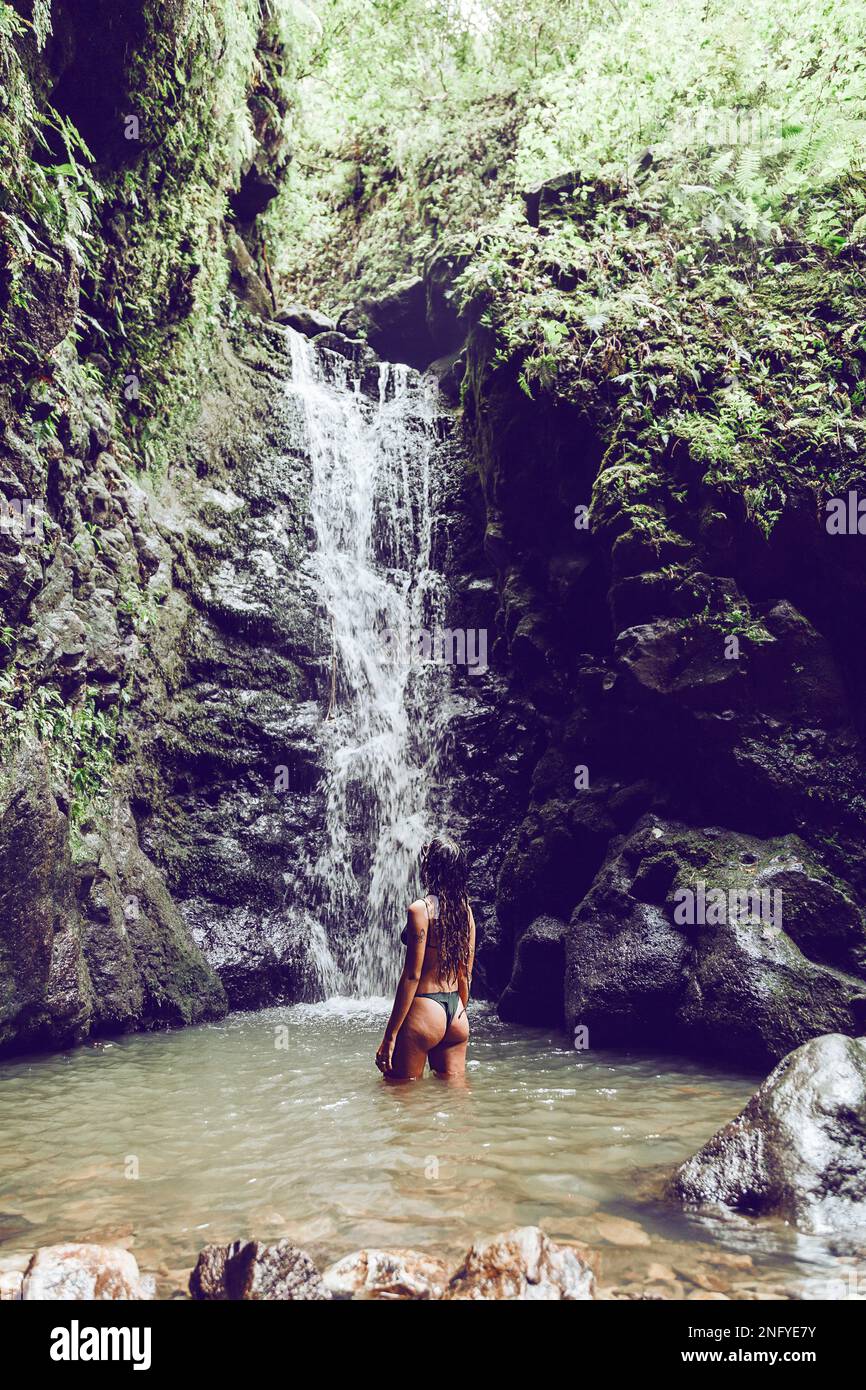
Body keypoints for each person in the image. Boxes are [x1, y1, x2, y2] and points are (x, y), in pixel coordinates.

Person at [375, 835, 475, 1080]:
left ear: (430, 867)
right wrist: (457, 1011)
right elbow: (466, 974)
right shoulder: (465, 911)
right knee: (457, 1100)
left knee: (400, 1095)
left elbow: (412, 975)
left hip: (425, 1010)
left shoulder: (420, 910)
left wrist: (390, 1036)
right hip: (457, 1015)